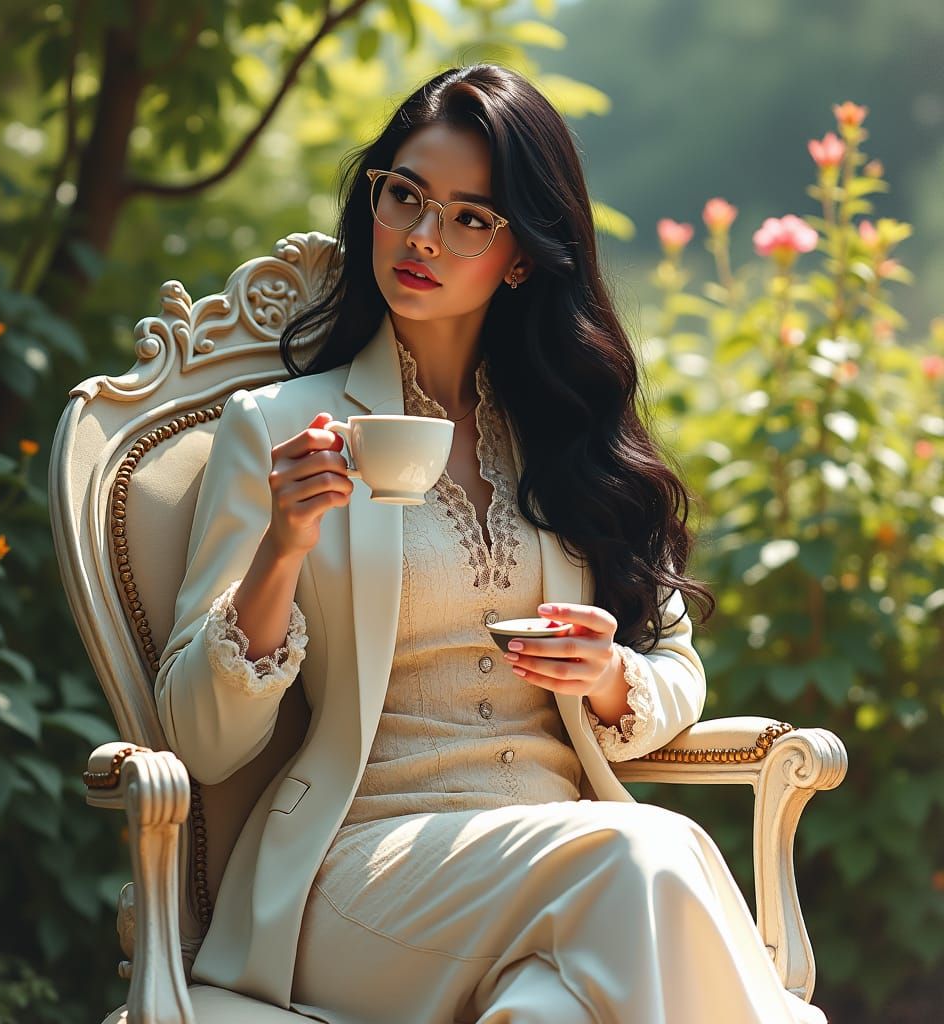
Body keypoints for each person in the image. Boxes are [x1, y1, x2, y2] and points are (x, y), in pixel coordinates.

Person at [155, 64, 826, 1024]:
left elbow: (676, 670)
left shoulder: (567, 439)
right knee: (651, 847)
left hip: (561, 875)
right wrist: (284, 548)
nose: (424, 235)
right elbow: (201, 739)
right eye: (405, 196)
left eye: (471, 217)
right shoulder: (277, 431)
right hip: (360, 875)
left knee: (553, 1008)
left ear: (520, 258)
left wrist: (607, 677)